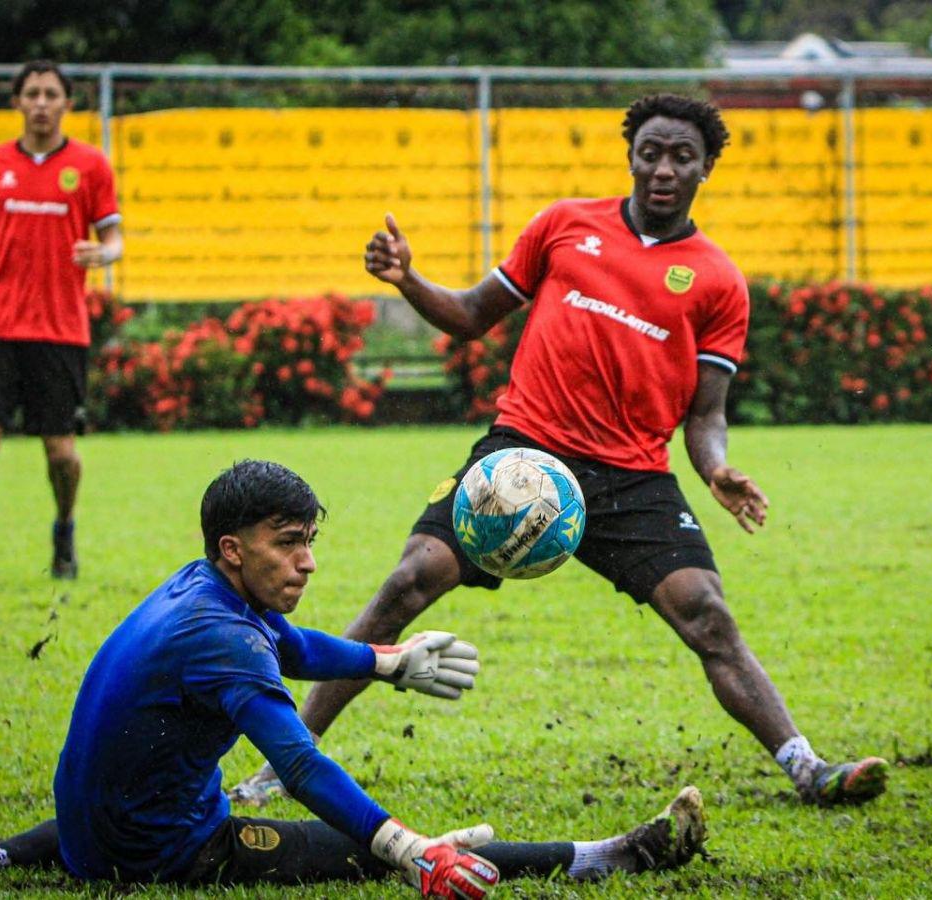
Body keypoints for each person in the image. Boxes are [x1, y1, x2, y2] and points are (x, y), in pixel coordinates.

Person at [231, 94, 888, 809]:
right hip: (522, 457)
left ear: (706, 169)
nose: (664, 168)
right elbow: (471, 315)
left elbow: (706, 413)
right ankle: (281, 767)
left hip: (630, 476)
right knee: (407, 582)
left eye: (682, 157)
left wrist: (717, 468)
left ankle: (807, 768)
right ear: (631, 155)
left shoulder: (719, 280)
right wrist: (408, 280)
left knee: (707, 613)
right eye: (651, 153)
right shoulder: (564, 225)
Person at [0, 460, 708, 895]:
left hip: (92, 822)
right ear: (235, 548)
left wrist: (389, 662)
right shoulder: (222, 640)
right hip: (157, 852)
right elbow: (302, 766)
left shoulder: (198, 586)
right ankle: (608, 856)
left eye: (309, 538)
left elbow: (290, 645)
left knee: (131, 789)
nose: (308, 560)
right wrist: (406, 845)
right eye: (289, 542)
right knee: (367, 855)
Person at [0, 59, 123, 588]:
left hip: (61, 330)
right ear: (17, 102)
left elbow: (115, 239)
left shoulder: (89, 165)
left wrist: (104, 256)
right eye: (32, 94)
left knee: (61, 452)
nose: (41, 103)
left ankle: (64, 527)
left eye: (51, 94)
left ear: (66, 103)